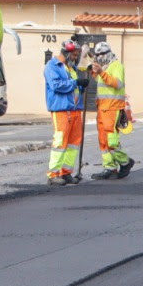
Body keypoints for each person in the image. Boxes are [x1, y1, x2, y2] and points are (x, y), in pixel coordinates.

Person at [43, 40, 89, 185]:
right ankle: (53, 174)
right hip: (61, 110)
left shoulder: (71, 68)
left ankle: (66, 172)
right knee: (60, 142)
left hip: (75, 110)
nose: (75, 58)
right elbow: (56, 85)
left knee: (73, 143)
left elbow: (74, 88)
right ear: (67, 53)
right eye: (74, 55)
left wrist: (81, 86)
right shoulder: (52, 66)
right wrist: (76, 83)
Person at [88, 42, 134, 180]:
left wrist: (101, 72)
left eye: (102, 54)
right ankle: (109, 167)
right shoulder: (105, 67)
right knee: (103, 140)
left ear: (108, 53)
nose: (100, 57)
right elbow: (96, 77)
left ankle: (125, 162)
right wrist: (91, 64)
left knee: (111, 140)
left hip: (112, 108)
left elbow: (117, 84)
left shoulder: (116, 65)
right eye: (98, 55)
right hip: (102, 108)